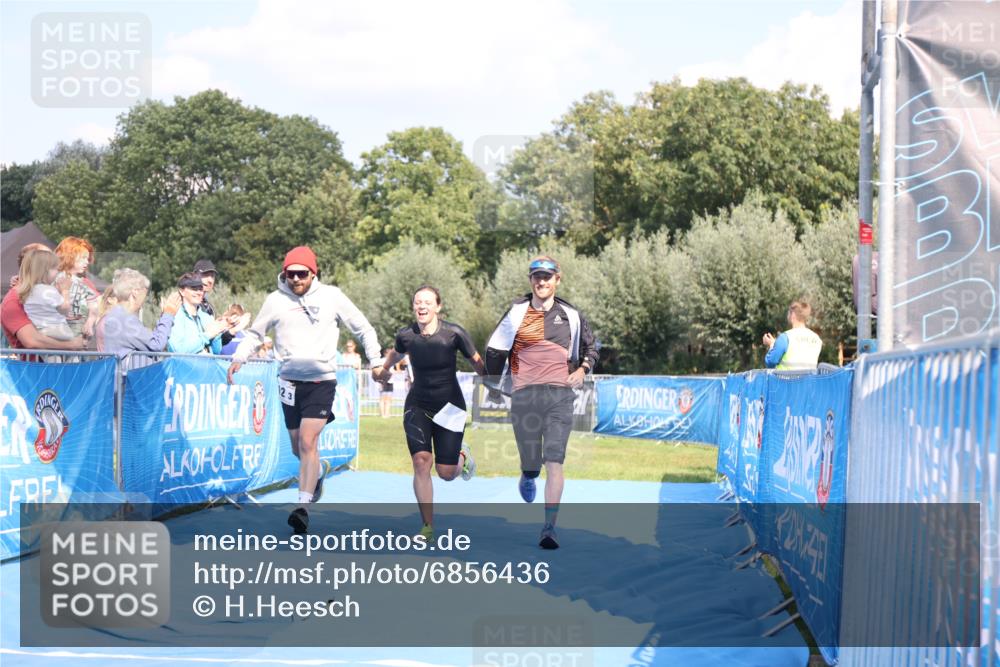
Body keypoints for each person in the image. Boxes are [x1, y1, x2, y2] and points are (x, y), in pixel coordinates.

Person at [226, 246, 381, 534]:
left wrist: (375, 360)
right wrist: (239, 358)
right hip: (288, 382)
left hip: (321, 381)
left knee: (309, 441)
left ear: (313, 273)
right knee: (298, 447)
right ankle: (318, 471)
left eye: (302, 273)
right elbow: (255, 334)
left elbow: (364, 329)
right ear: (284, 274)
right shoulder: (275, 300)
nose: (296, 279)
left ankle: (302, 507)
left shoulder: (332, 296)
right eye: (291, 274)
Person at [485, 256, 599, 549]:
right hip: (524, 397)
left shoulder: (570, 315)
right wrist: (493, 384)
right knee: (533, 462)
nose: (542, 281)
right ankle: (528, 474)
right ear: (531, 280)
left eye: (547, 277)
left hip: (559, 396)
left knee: (554, 461)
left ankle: (549, 528)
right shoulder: (517, 312)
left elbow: (591, 347)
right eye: (537, 276)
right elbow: (495, 349)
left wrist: (582, 369)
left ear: (557, 279)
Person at [373, 285, 485, 539]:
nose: (422, 306)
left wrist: (493, 383)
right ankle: (427, 527)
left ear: (438, 306)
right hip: (418, 404)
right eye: (417, 302)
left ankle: (462, 456)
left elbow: (477, 361)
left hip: (450, 406)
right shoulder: (406, 335)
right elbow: (395, 354)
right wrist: (384, 369)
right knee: (421, 462)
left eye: (427, 302)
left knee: (446, 473)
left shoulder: (454, 333)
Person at [1, 245, 85, 354]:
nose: (58, 272)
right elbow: (31, 341)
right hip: (37, 363)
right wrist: (71, 345)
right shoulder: (13, 300)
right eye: (52, 267)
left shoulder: (41, 291)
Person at [96, 269, 182, 367]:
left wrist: (164, 317)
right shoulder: (124, 320)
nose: (144, 299)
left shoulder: (117, 316)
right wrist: (168, 314)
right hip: (129, 376)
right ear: (135, 292)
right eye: (145, 294)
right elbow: (156, 344)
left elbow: (150, 341)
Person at [18, 249, 75, 343]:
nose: (58, 272)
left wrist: (57, 291)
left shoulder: (28, 290)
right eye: (55, 269)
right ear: (44, 270)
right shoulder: (48, 290)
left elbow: (45, 308)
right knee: (75, 342)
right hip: (58, 330)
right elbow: (65, 309)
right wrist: (65, 290)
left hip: (39, 330)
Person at [167, 272, 229, 354]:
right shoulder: (175, 316)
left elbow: (216, 352)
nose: (199, 292)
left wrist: (217, 332)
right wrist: (207, 335)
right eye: (194, 288)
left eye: (201, 289)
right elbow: (178, 351)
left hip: (208, 362)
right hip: (184, 362)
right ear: (182, 291)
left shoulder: (207, 317)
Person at [53, 237, 99, 338]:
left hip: (77, 336)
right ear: (69, 256)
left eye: (87, 259)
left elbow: (96, 306)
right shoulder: (52, 279)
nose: (87, 262)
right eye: (83, 258)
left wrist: (90, 322)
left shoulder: (85, 283)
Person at [762, 300, 822, 370]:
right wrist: (776, 344)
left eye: (788, 313)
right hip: (809, 377)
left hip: (784, 377)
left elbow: (770, 362)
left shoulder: (785, 337)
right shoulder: (817, 339)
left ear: (793, 315)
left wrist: (772, 345)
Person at [378, 346, 396, 417]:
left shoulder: (392, 361)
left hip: (390, 381)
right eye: (387, 352)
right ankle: (382, 414)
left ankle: (387, 413)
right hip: (383, 381)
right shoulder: (381, 360)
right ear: (385, 353)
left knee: (388, 399)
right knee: (382, 398)